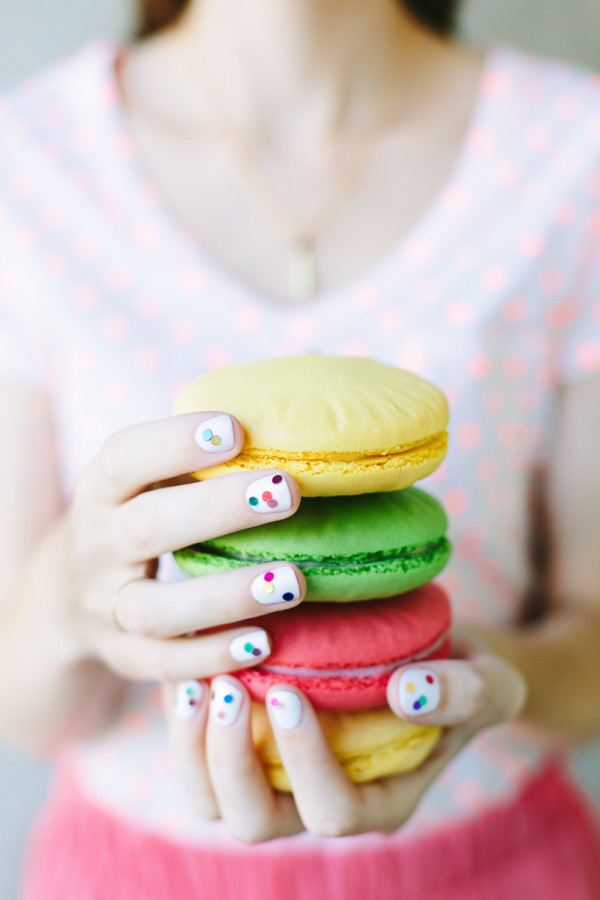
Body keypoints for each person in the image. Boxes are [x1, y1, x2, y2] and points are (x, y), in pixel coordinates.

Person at [1, 0, 599, 896]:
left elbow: (591, 653)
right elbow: (34, 713)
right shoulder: (30, 157)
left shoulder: (573, 153)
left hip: (498, 867)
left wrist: (482, 680)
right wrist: (66, 600)